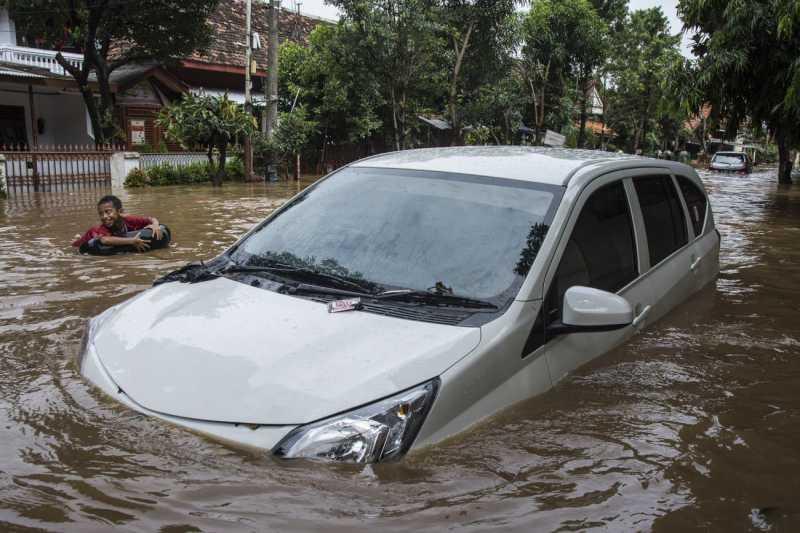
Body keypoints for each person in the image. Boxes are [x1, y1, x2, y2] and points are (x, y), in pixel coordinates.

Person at [72, 195, 162, 253]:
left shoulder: (127, 219)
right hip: (84, 243)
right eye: (101, 213)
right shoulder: (99, 229)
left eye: (108, 212)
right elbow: (105, 240)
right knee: (76, 243)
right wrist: (132, 241)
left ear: (120, 212)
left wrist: (155, 224)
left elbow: (150, 219)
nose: (104, 216)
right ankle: (78, 239)